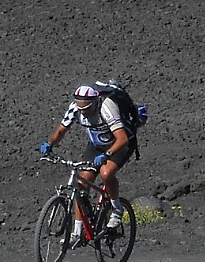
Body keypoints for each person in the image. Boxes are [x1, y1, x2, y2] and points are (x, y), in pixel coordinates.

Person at [38, 84, 134, 245]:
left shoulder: (106, 107)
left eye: (87, 109)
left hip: (120, 144)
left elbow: (122, 138)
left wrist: (107, 155)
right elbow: (61, 130)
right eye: (80, 109)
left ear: (95, 102)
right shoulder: (76, 107)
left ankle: (117, 210)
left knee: (106, 173)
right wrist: (49, 144)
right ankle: (77, 233)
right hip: (97, 145)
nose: (83, 112)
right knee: (81, 184)